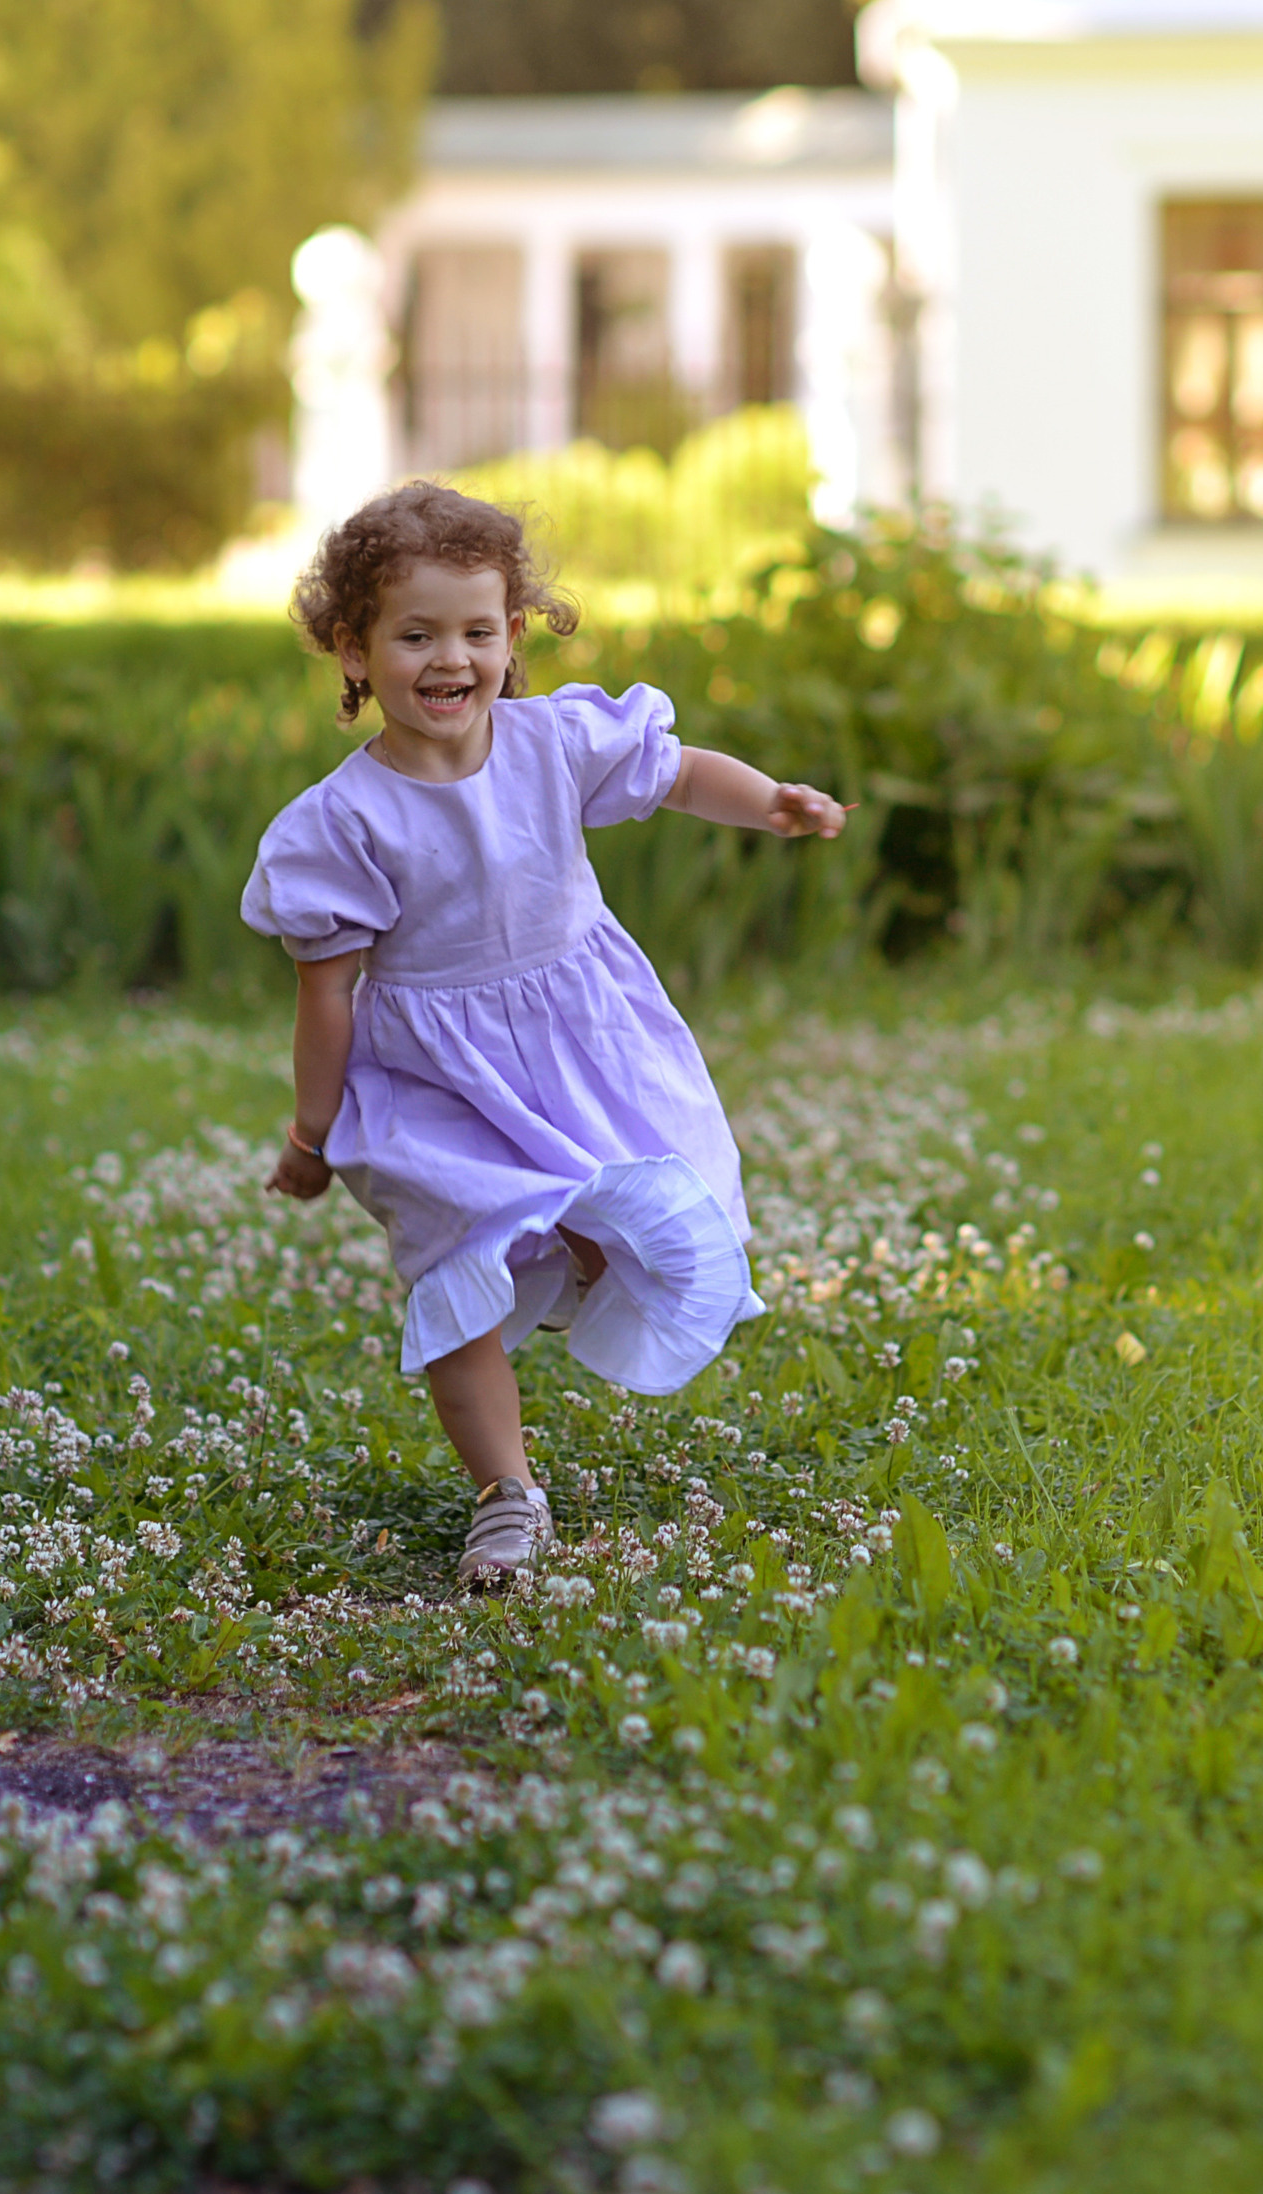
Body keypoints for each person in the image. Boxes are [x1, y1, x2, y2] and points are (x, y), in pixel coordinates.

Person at [244, 482, 846, 1590]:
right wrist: (311, 1131)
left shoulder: (552, 743)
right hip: (435, 1077)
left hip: (581, 1036)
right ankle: (505, 1494)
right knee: (454, 1265)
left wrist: (767, 801)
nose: (448, 659)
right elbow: (325, 997)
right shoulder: (338, 825)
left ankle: (575, 1248)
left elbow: (672, 772)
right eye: (413, 633)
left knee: (653, 1184)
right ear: (353, 647)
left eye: (476, 631)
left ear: (513, 634)